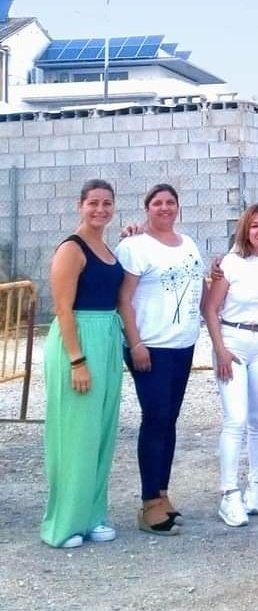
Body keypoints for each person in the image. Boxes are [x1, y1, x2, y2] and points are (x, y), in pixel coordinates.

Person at [41, 179, 125, 549]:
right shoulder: (71, 249)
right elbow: (62, 308)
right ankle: (64, 523)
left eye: (107, 203)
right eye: (93, 203)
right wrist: (77, 360)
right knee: (76, 434)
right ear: (80, 205)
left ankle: (93, 515)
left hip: (107, 336)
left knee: (101, 432)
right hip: (79, 341)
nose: (100, 210)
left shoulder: (105, 247)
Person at [116, 183, 204, 535]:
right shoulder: (133, 246)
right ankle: (148, 502)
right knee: (155, 418)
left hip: (182, 345)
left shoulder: (188, 244)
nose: (164, 208)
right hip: (150, 346)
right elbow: (124, 299)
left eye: (170, 202)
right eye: (157, 203)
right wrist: (135, 343)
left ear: (178, 207)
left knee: (170, 419)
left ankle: (162, 494)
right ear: (146, 207)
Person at [202, 203, 258, 528]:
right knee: (234, 418)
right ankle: (229, 494)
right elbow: (210, 309)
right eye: (254, 225)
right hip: (233, 343)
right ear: (245, 230)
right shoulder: (231, 264)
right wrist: (219, 349)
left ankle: (254, 489)